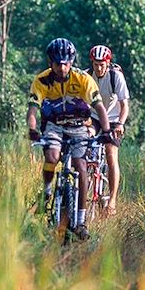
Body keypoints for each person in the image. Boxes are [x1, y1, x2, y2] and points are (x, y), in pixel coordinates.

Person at [26, 38, 116, 240]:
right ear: (51, 62)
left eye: (66, 63)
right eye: (58, 63)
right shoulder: (42, 81)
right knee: (52, 156)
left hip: (78, 126)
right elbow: (33, 108)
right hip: (54, 126)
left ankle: (81, 221)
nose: (62, 67)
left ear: (72, 61)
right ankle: (47, 192)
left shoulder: (83, 79)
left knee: (81, 166)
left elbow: (99, 106)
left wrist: (107, 131)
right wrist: (32, 129)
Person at [87, 44, 129, 217]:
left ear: (108, 62)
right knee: (85, 141)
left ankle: (111, 201)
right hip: (94, 117)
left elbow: (124, 105)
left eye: (102, 64)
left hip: (112, 119)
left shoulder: (115, 76)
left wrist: (120, 123)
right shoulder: (87, 76)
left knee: (111, 155)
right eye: (96, 64)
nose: (99, 68)